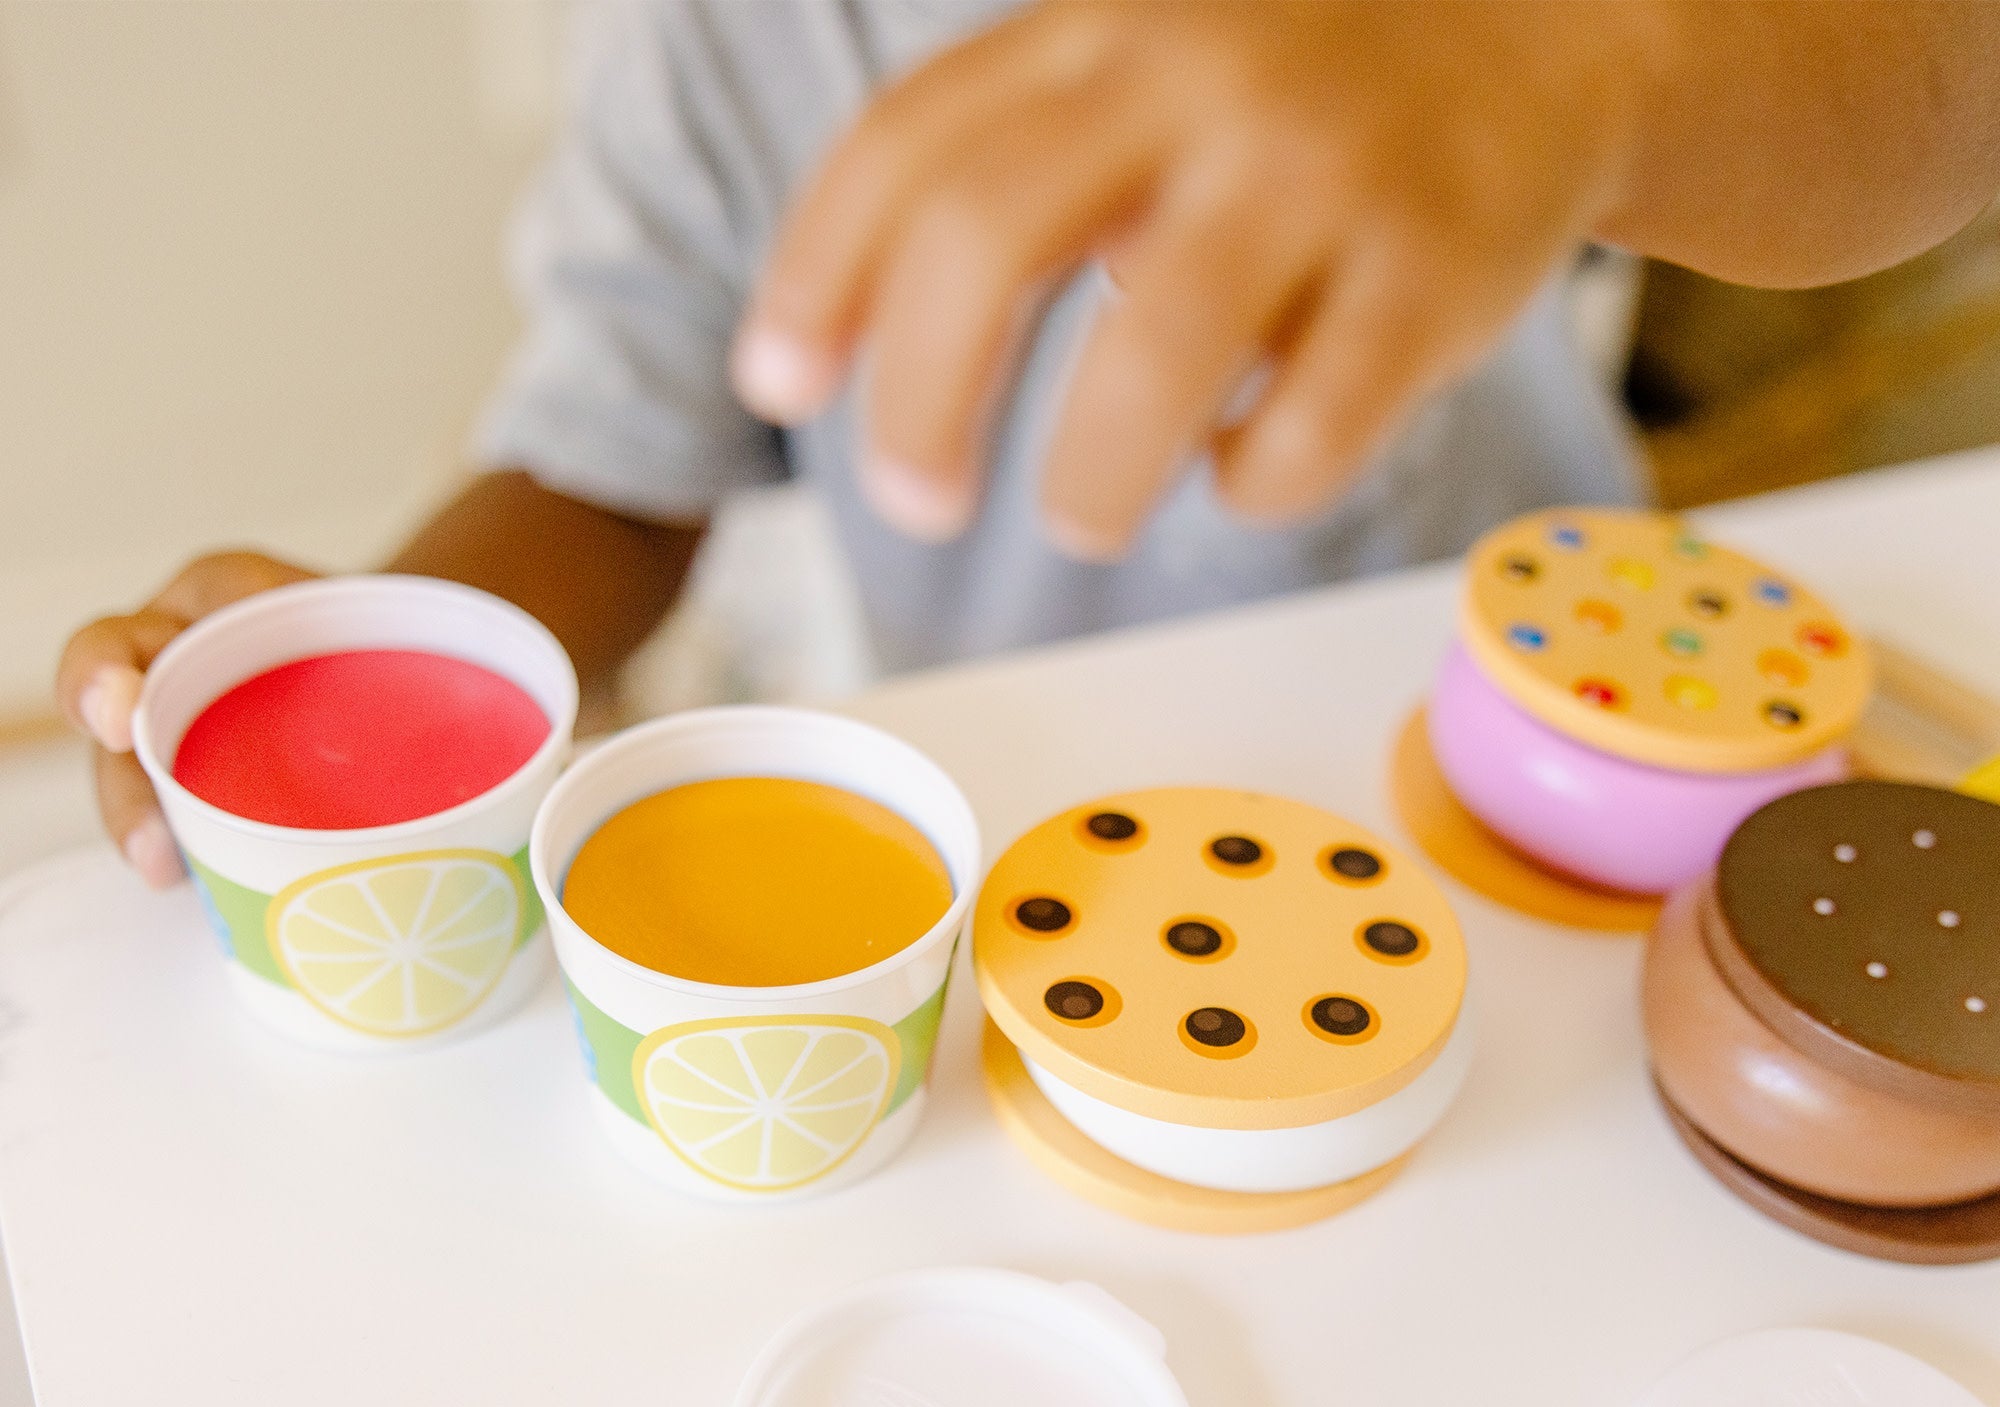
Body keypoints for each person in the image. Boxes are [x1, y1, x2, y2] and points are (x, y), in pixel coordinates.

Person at [56, 0, 2000, 884]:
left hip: (1572, 750)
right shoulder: (725, 38)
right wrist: (390, 662)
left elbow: (1935, 87)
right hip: (1020, 808)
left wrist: (1569, 61)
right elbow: (606, 465)